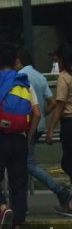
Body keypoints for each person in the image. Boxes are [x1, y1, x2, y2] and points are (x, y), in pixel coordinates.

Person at [0, 44, 41, 229]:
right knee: (19, 184)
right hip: (19, 139)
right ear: (16, 62)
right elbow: (36, 113)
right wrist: (27, 136)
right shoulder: (24, 81)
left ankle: (3, 208)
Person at [15, 48, 70, 207]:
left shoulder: (20, 76)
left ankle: (59, 190)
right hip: (39, 126)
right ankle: (21, 204)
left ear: (18, 60)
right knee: (25, 164)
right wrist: (40, 117)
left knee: (27, 164)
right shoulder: (40, 76)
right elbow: (52, 103)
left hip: (26, 126)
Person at [46, 44, 72, 216]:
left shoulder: (64, 78)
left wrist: (51, 128)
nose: (55, 60)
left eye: (57, 57)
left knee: (68, 162)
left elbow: (60, 104)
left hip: (69, 122)